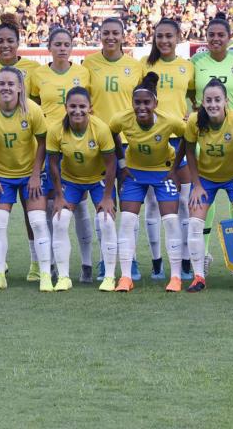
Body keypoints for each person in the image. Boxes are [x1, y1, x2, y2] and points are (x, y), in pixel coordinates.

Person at [109, 72, 187, 293]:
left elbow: (188, 137)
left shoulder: (169, 120)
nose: (142, 107)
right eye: (137, 102)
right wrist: (122, 163)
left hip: (162, 172)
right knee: (126, 221)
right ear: (132, 103)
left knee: (171, 220)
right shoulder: (121, 119)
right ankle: (125, 277)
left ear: (155, 103)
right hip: (134, 174)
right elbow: (113, 132)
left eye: (146, 102)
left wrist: (175, 167)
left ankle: (175, 277)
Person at [0, 67, 51, 292]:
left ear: (19, 87)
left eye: (11, 84)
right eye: (1, 83)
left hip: (31, 173)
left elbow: (43, 143)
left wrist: (36, 175)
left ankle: (44, 272)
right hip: (3, 175)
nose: (6, 87)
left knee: (37, 221)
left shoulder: (33, 110)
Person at [178, 79, 233, 292]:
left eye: (217, 100)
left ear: (226, 101)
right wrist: (196, 184)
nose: (213, 104)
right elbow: (189, 152)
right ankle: (199, 276)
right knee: (194, 222)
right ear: (202, 102)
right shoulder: (194, 121)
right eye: (208, 100)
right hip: (205, 179)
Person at [30, 28, 93, 283]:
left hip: (77, 142)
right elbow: (35, 106)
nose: (62, 48)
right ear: (49, 47)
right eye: (57, 44)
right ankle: (53, 262)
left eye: (66, 44)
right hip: (49, 145)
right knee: (50, 205)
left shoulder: (82, 72)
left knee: (79, 205)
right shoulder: (38, 75)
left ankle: (87, 263)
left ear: (72, 47)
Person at [83, 18, 142, 279]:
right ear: (99, 35)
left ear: (123, 36)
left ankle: (133, 258)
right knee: (103, 202)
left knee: (129, 202)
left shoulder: (134, 66)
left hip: (129, 142)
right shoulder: (88, 64)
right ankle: (104, 260)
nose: (110, 37)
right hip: (98, 142)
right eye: (106, 33)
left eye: (115, 33)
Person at [47, 87, 117, 292]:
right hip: (71, 180)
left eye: (82, 106)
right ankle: (64, 277)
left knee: (106, 221)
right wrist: (59, 195)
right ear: (66, 107)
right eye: (73, 106)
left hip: (99, 180)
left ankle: (110, 276)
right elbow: (52, 163)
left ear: (90, 108)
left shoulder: (100, 129)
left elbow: (111, 164)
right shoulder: (56, 130)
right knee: (59, 221)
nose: (77, 111)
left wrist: (107, 198)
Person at [140, 19, 195, 281]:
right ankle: (157, 262)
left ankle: (185, 260)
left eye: (169, 36)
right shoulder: (146, 65)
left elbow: (196, 98)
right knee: (152, 203)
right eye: (159, 36)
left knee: (183, 201)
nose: (164, 41)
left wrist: (191, 115)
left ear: (178, 37)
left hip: (180, 141)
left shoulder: (187, 67)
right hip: (153, 140)